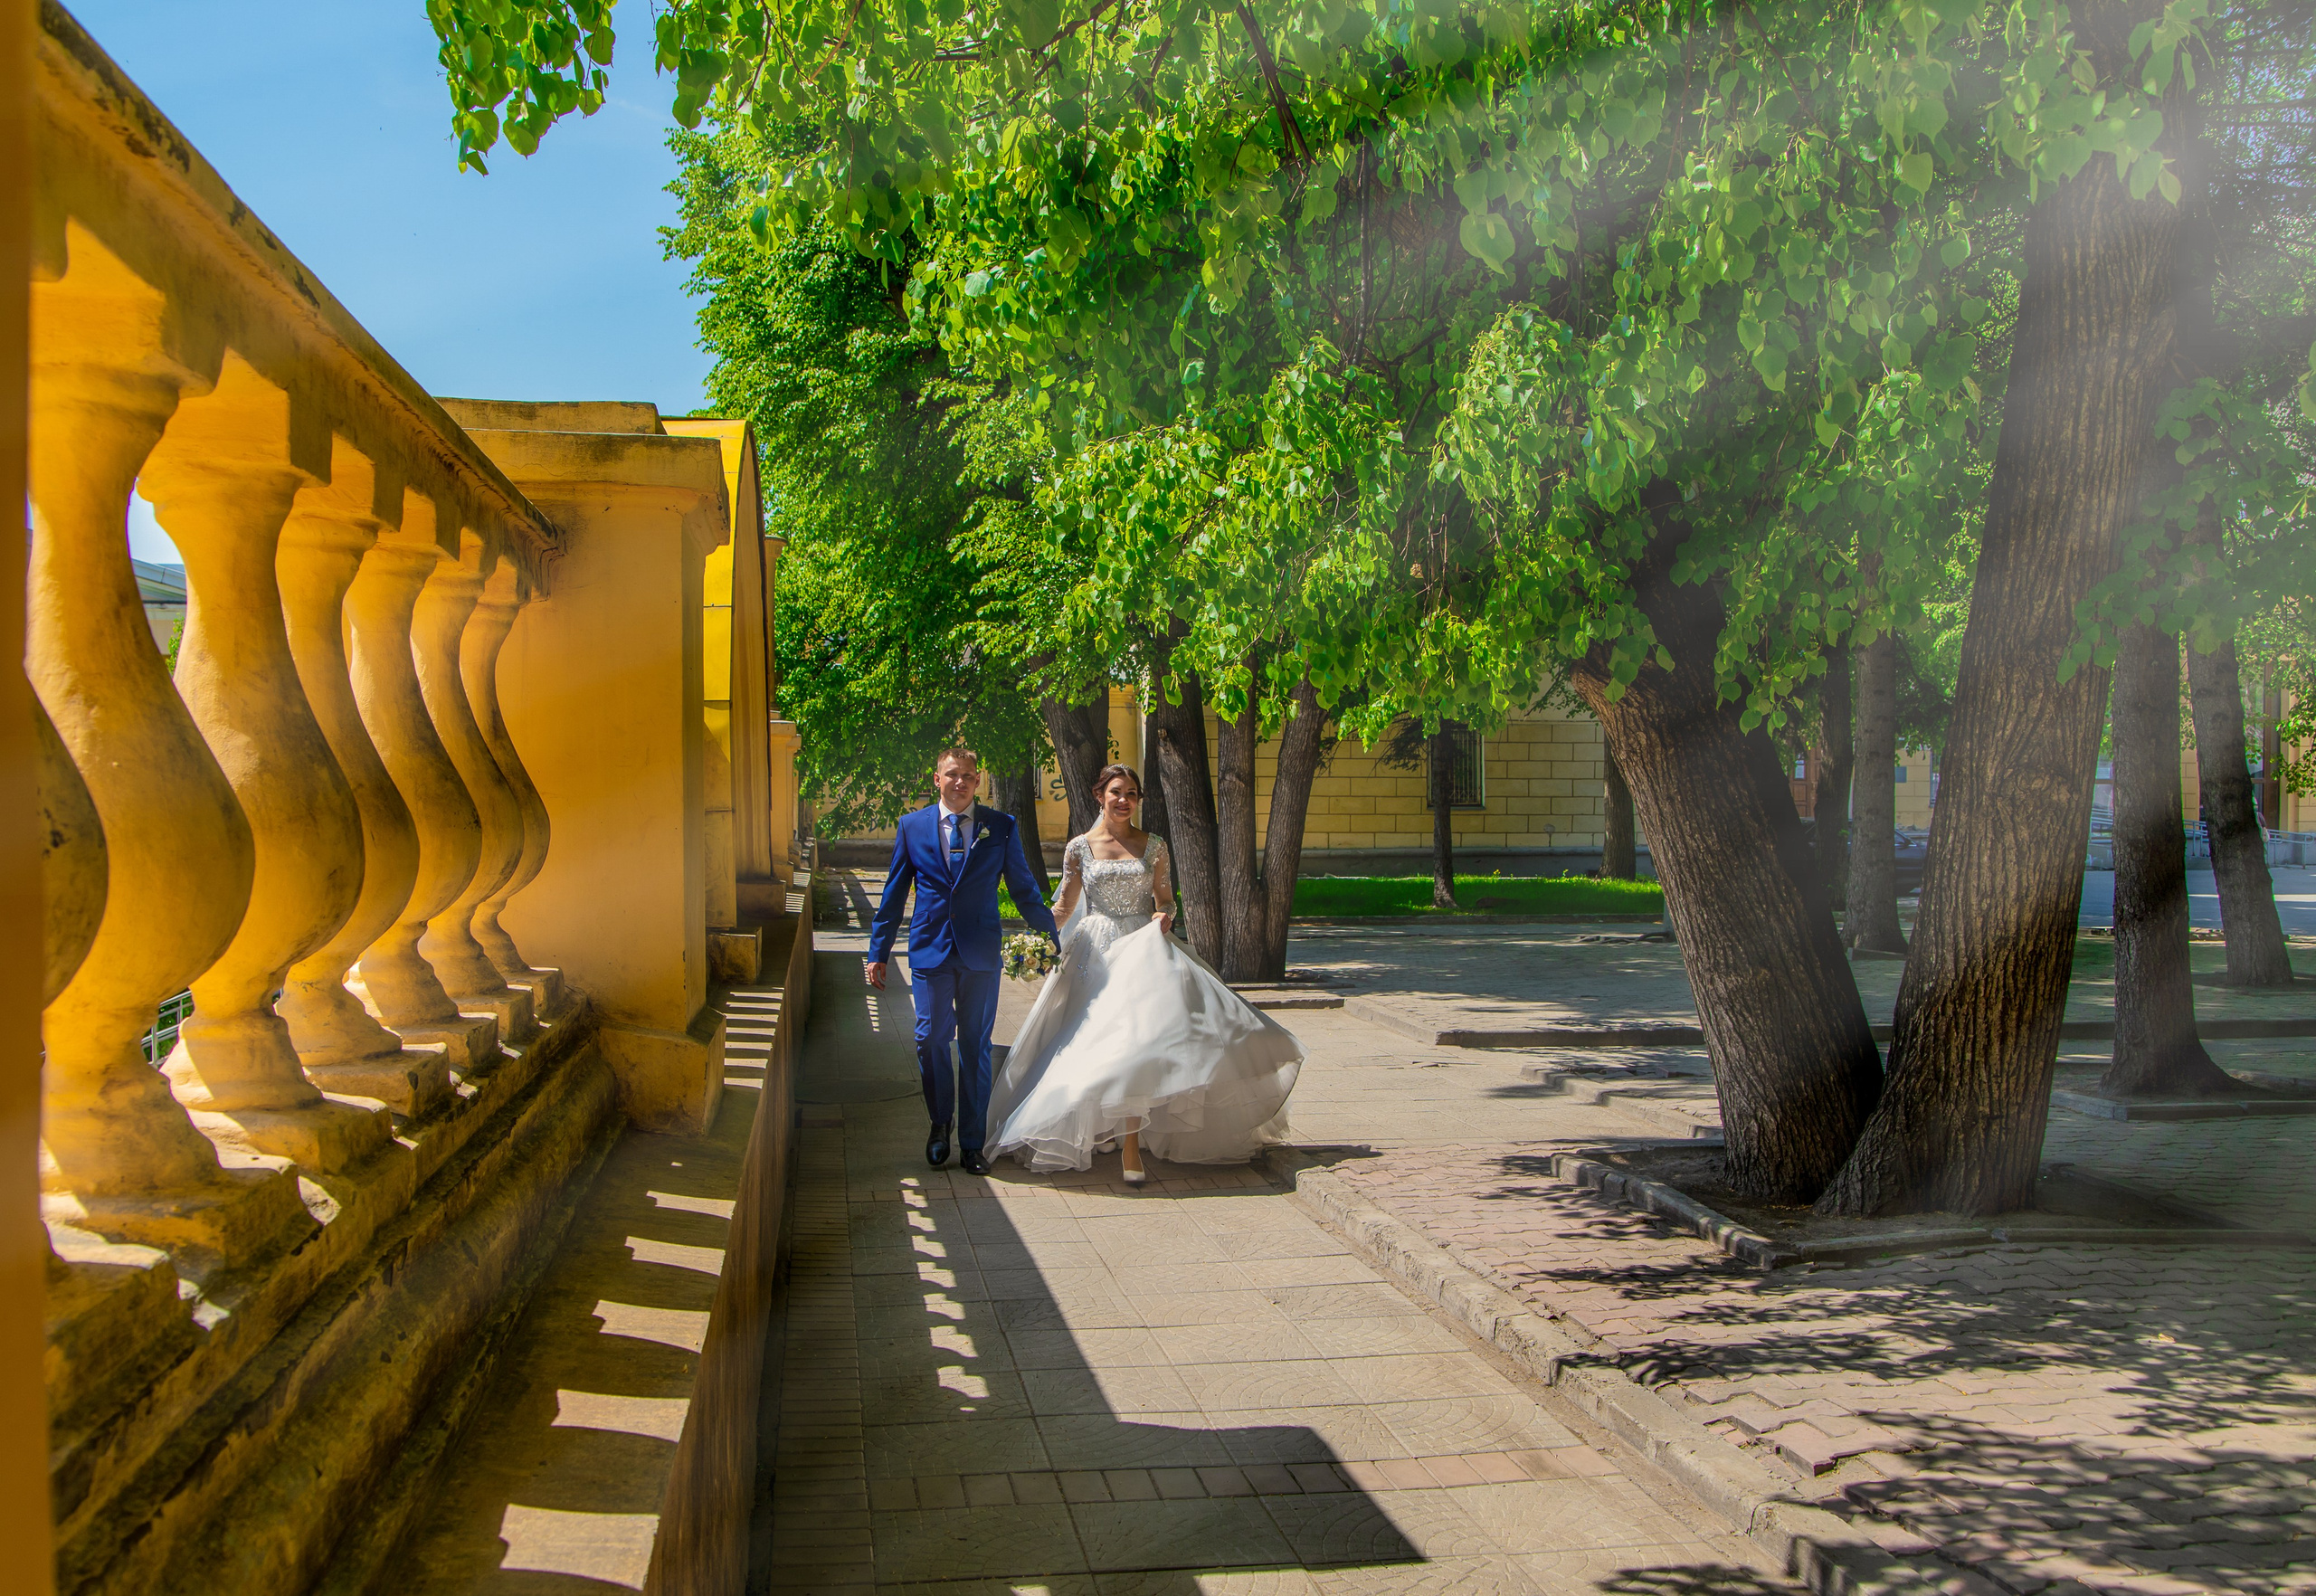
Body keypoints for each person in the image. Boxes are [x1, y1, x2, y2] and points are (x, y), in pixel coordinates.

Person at [987, 763, 1304, 1183]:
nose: (1124, 800)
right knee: (1092, 1042)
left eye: (1132, 793)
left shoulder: (1154, 845)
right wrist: (1039, 942)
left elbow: (1167, 900)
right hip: (1094, 952)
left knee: (1138, 1039)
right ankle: (1101, 1127)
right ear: (1099, 795)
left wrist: (1164, 915)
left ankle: (1132, 1144)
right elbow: (1064, 905)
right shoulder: (1079, 848)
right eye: (1116, 791)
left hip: (1143, 945)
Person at [866, 747, 1059, 1176]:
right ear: (937, 780)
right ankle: (940, 1125)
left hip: (980, 953)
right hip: (930, 949)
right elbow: (894, 894)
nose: (960, 782)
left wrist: (1051, 936)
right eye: (952, 774)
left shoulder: (1001, 826)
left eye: (968, 776)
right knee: (931, 1038)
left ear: (979, 781)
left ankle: (972, 1142)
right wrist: (877, 952)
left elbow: (1024, 888)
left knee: (976, 1046)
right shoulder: (912, 826)